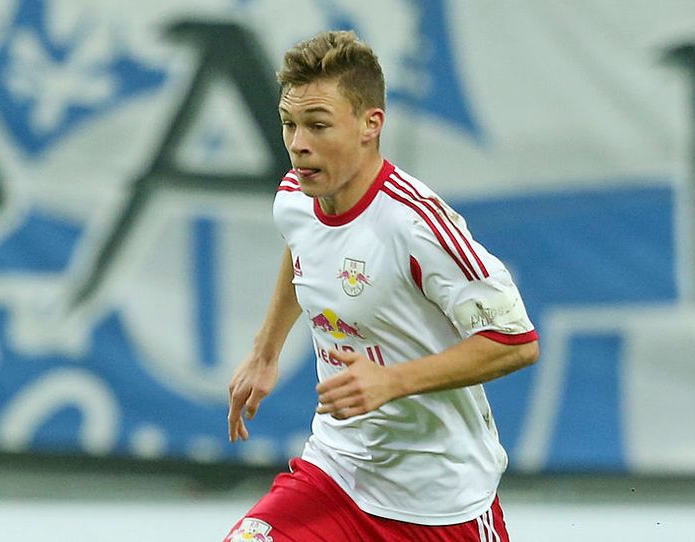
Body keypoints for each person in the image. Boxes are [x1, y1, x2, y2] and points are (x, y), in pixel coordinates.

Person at [225, 30, 539, 542]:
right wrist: (265, 351)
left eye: (318, 125)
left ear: (371, 124)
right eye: (289, 123)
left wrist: (392, 381)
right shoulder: (296, 198)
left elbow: (516, 343)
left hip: (441, 500)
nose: (298, 143)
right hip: (337, 473)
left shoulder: (415, 226)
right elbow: (302, 247)